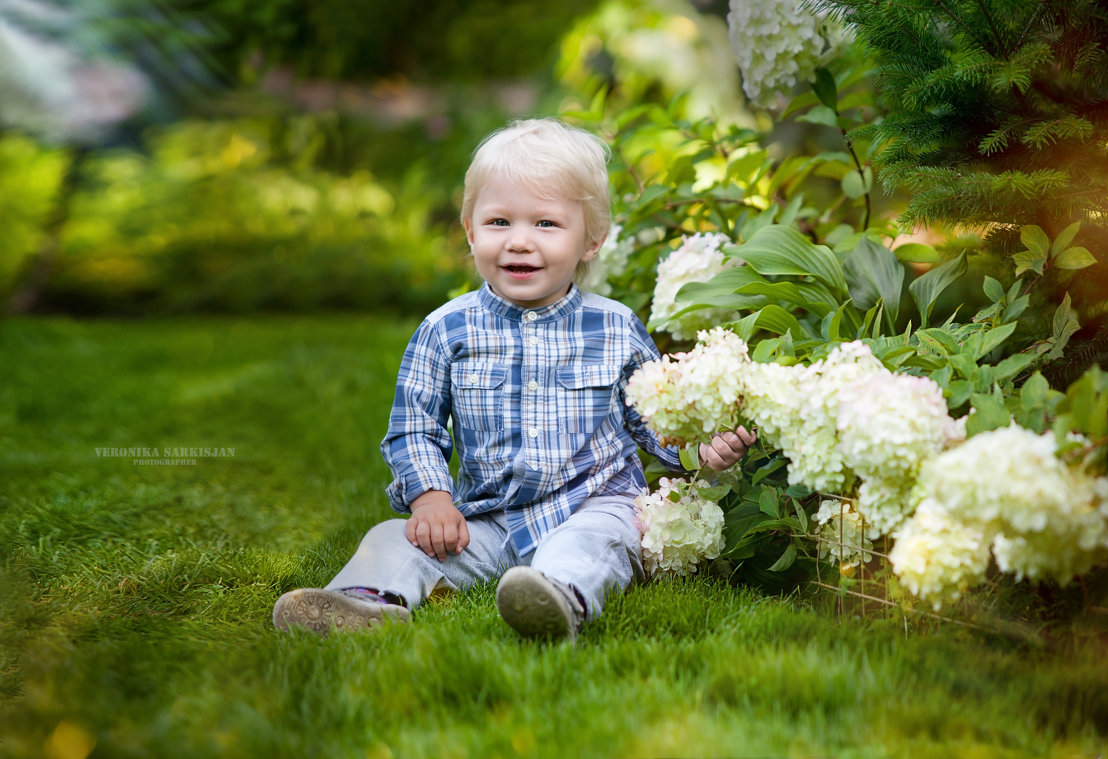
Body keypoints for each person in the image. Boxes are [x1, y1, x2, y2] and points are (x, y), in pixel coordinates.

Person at [272, 118, 756, 641]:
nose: (519, 242)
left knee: (594, 544)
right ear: (470, 229)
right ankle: (364, 603)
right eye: (499, 222)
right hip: (486, 521)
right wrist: (432, 499)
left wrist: (700, 449)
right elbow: (413, 427)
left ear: (590, 240)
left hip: (589, 506)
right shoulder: (445, 330)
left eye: (545, 224)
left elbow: (653, 420)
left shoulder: (614, 327)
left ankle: (556, 598)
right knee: (393, 537)